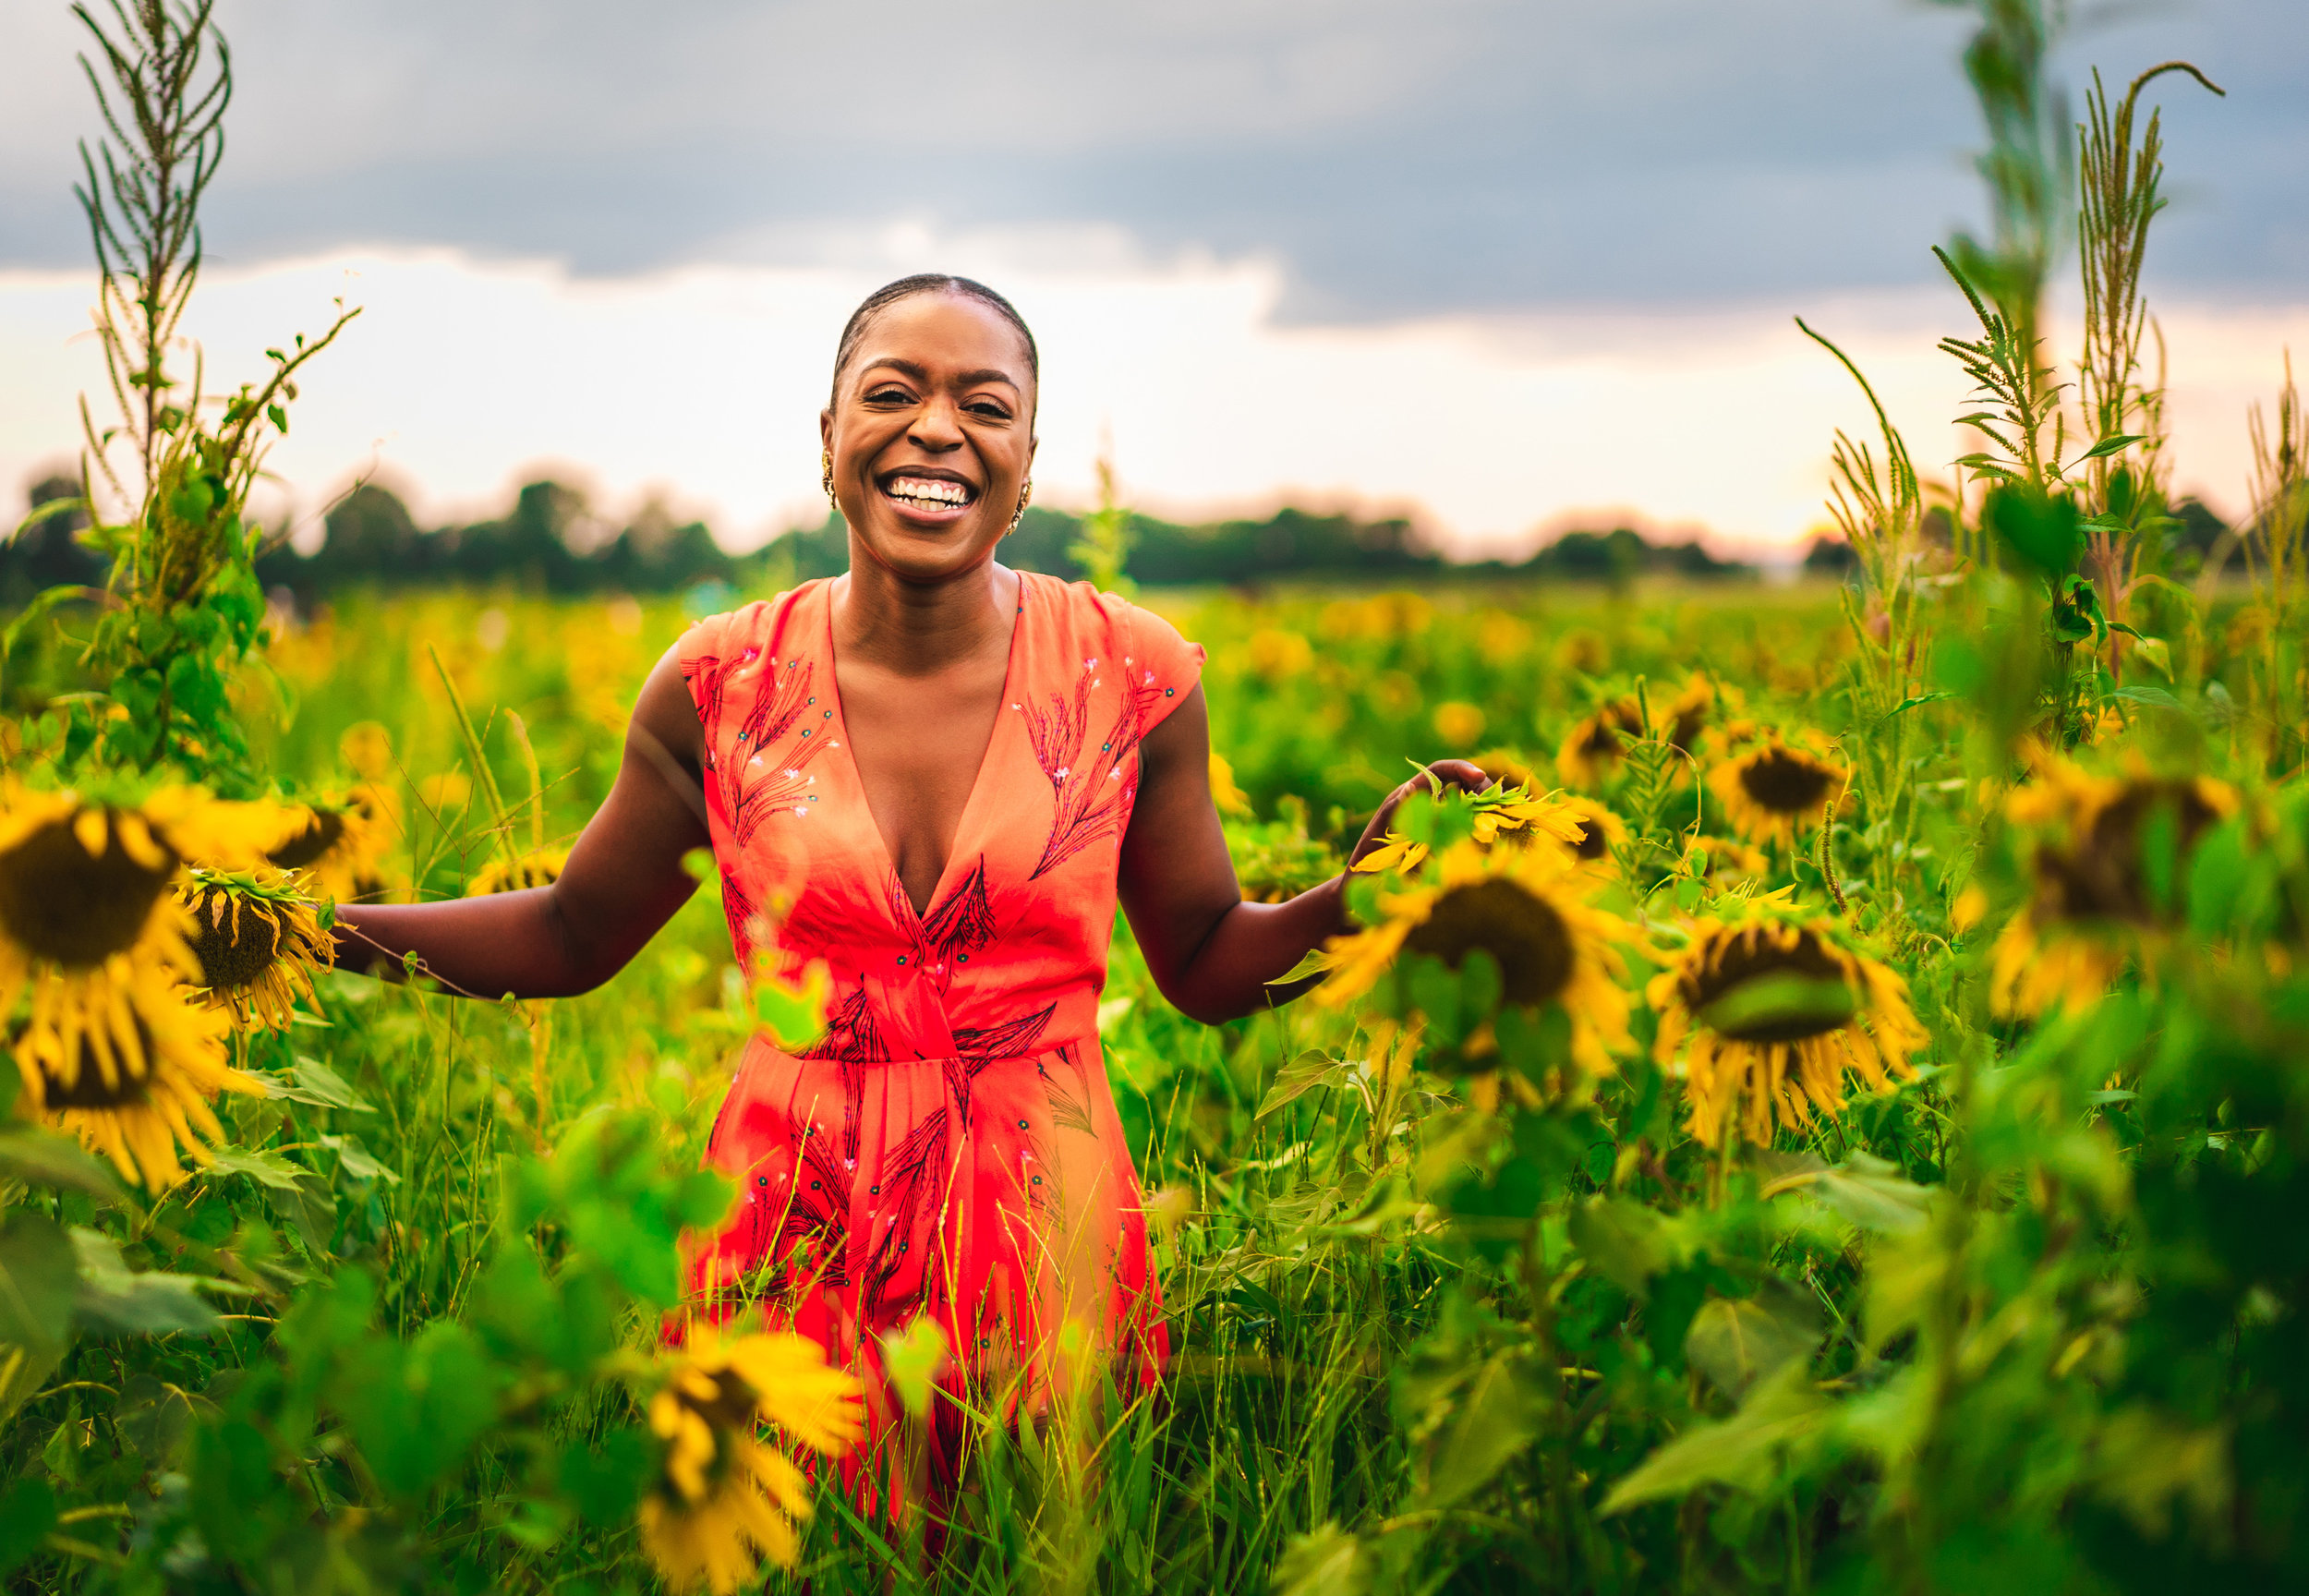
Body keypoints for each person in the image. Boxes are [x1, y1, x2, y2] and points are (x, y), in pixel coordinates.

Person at [333, 272, 1482, 1513]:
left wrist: (1368, 897)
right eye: (893, 392)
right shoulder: (719, 682)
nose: (937, 428)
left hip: (1048, 1250)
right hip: (790, 1243)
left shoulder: (1128, 674)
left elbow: (1205, 957)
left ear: (1028, 463)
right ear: (829, 438)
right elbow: (570, 932)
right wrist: (302, 935)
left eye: (985, 405)